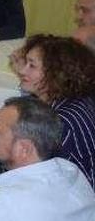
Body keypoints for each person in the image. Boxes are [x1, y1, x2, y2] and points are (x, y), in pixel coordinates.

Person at [15, 34, 95, 187]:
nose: (23, 71)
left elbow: (46, 181)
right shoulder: (66, 98)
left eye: (32, 65)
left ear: (56, 73)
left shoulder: (62, 122)